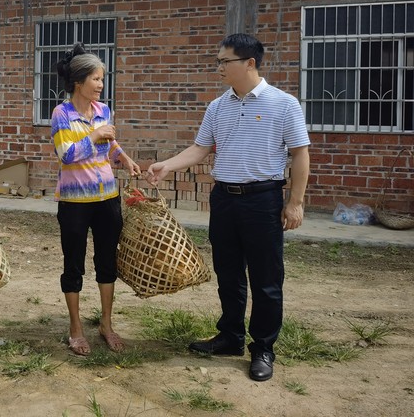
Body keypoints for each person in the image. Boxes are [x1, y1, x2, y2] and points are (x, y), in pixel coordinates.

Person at [146, 33, 310, 382]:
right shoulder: (218, 106)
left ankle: (263, 348)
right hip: (224, 199)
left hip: (263, 200)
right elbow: (200, 148)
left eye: (225, 61)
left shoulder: (284, 104)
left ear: (249, 63)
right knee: (228, 272)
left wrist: (295, 202)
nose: (219, 67)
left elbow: (300, 153)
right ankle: (231, 336)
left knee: (266, 279)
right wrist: (167, 165)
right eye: (218, 61)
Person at [51, 43, 141, 356]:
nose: (101, 84)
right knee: (73, 264)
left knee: (107, 262)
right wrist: (94, 135)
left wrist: (123, 157)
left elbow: (110, 144)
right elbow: (66, 154)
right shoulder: (61, 113)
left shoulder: (103, 110)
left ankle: (106, 324)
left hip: (107, 198)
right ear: (79, 82)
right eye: (96, 79)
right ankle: (75, 328)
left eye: (102, 79)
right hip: (74, 202)